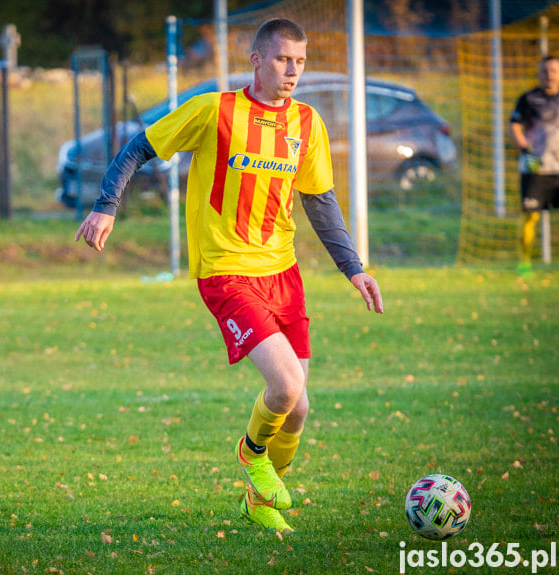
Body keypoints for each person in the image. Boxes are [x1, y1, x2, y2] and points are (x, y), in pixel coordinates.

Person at [75, 18, 383, 533]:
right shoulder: (214, 111)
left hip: (282, 272)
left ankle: (258, 505)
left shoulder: (307, 123)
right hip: (225, 271)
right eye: (283, 59)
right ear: (256, 60)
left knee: (299, 408)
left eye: (300, 62)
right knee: (284, 388)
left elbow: (320, 201)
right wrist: (106, 205)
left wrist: (352, 267)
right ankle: (251, 452)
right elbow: (139, 147)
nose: (292, 71)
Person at [509, 55, 559, 277]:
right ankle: (524, 263)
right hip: (536, 167)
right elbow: (514, 126)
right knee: (531, 215)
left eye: (554, 71)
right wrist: (525, 149)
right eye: (545, 71)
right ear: (539, 74)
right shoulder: (529, 99)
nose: (550, 76)